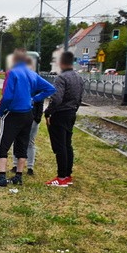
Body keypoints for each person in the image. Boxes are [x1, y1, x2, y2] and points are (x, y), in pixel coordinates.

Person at [0, 50, 55, 187]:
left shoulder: (12, 73)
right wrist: (35, 99)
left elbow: (7, 96)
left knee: (2, 145)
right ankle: (18, 176)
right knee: (22, 144)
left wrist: (1, 110)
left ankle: (2, 177)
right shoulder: (32, 74)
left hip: (13, 113)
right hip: (28, 114)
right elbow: (50, 88)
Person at [44, 51, 84, 187]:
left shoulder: (61, 78)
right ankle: (67, 175)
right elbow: (79, 98)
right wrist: (73, 109)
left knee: (60, 146)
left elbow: (57, 99)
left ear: (61, 63)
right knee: (67, 144)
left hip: (60, 114)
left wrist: (48, 112)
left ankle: (60, 177)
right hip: (71, 113)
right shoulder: (78, 78)